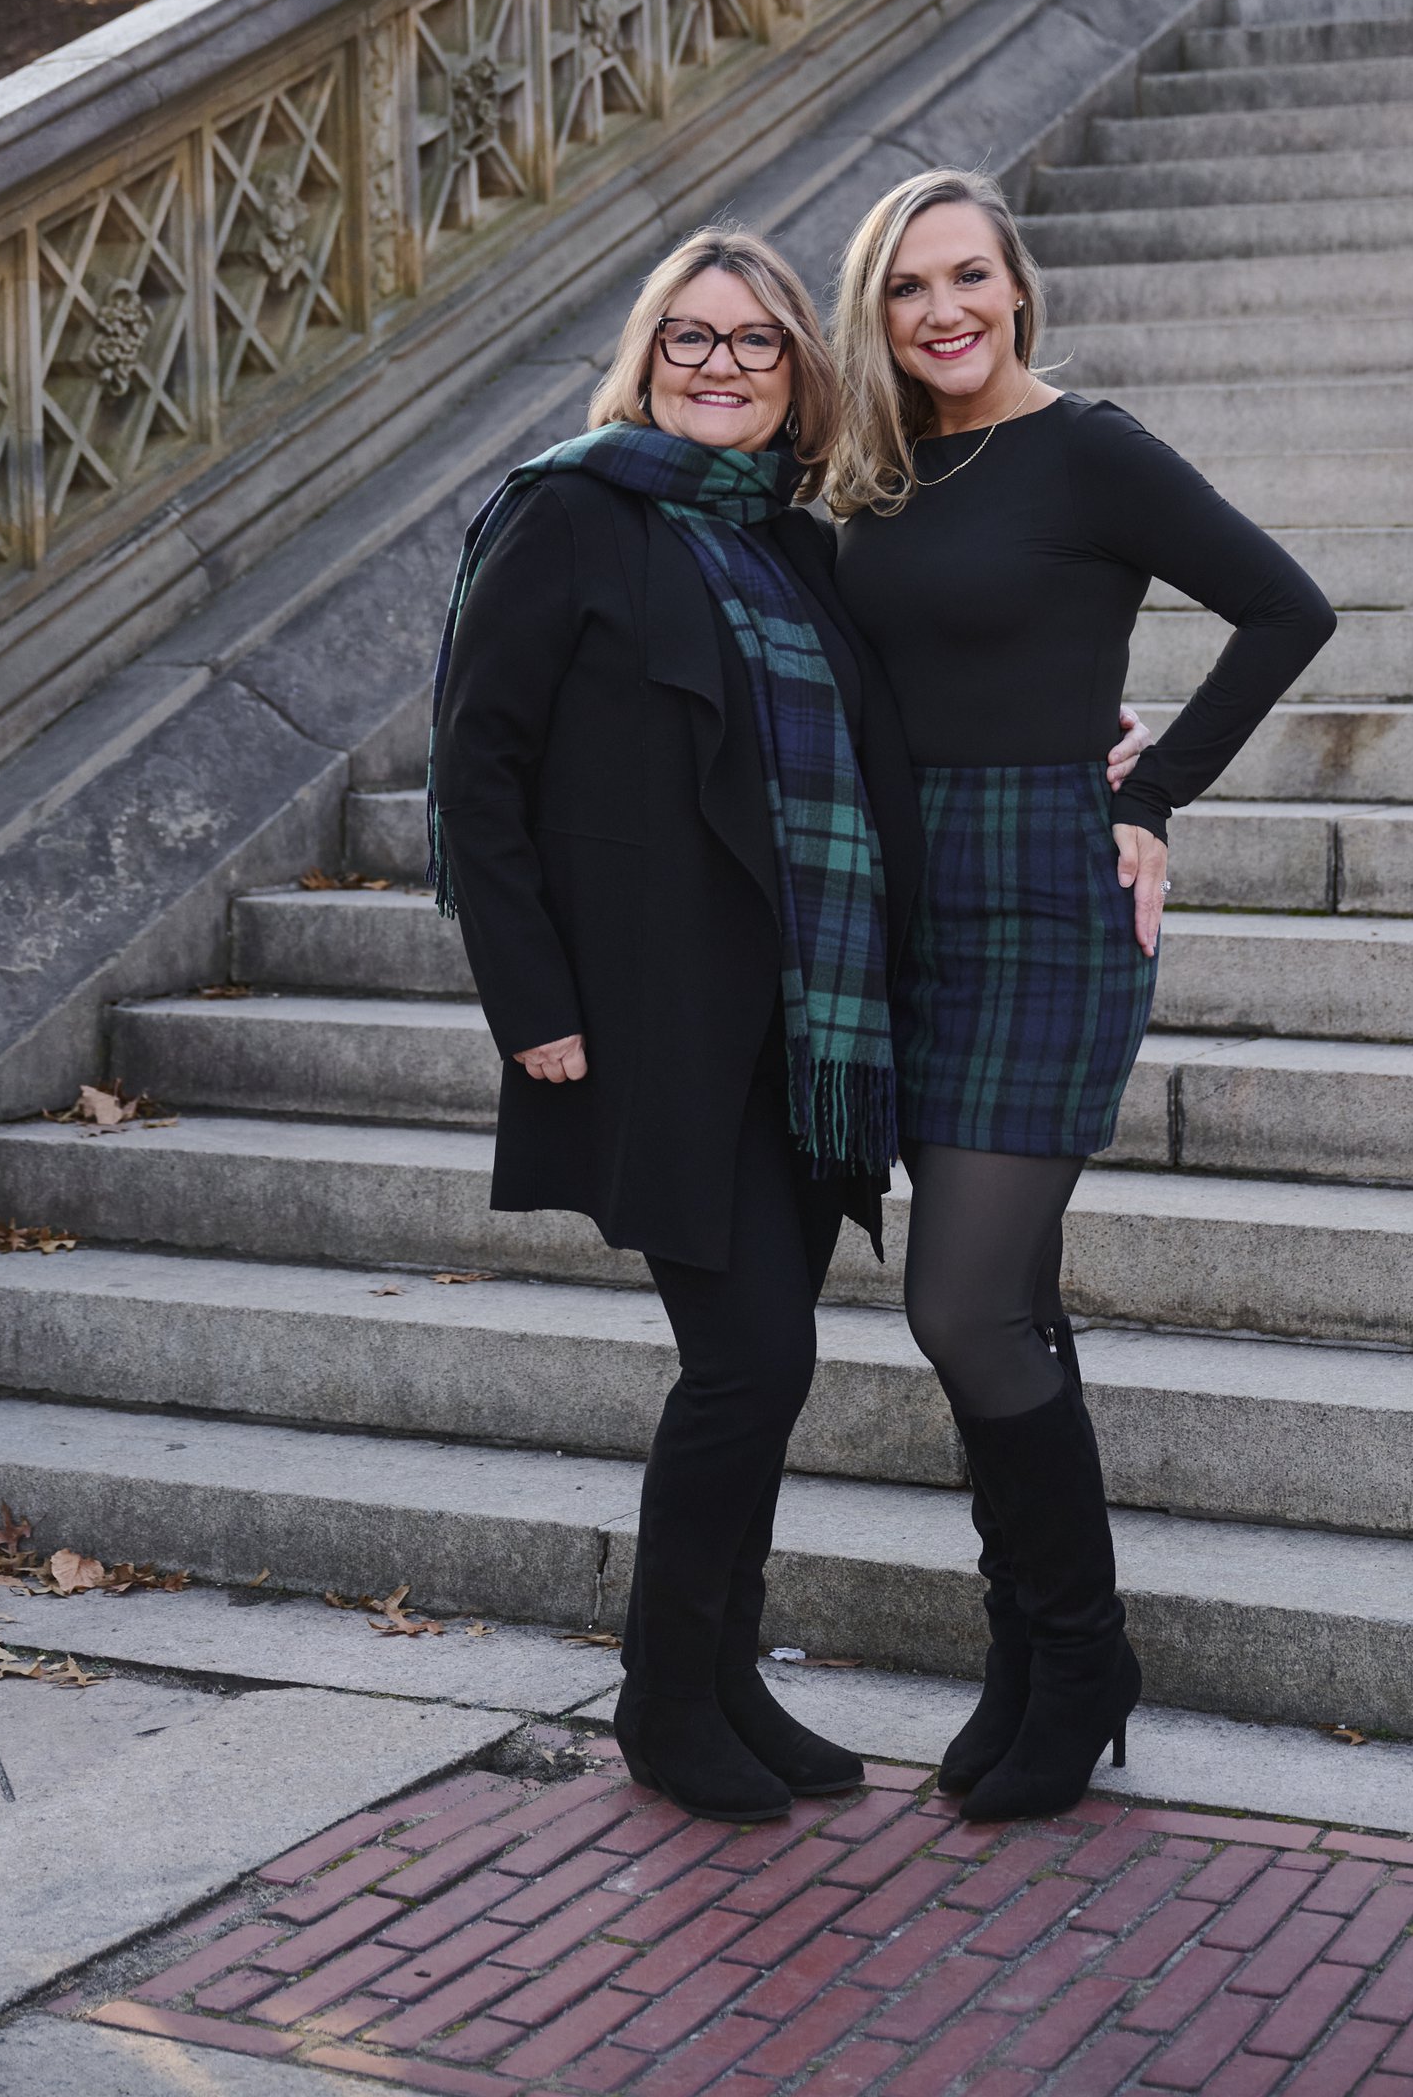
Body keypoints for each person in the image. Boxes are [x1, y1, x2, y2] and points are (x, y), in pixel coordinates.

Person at [828, 170, 1337, 1823]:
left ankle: (1085, 1651)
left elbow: (1287, 607)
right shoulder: (873, 472)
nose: (943, 312)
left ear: (1018, 288)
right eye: (909, 288)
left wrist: (1153, 788)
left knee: (961, 1309)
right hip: (913, 907)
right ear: (877, 312)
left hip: (1050, 897)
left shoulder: (1089, 450)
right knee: (1015, 1309)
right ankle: (1031, 1664)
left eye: (968, 277)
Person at [427, 227, 922, 1824]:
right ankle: (661, 1700)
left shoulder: (798, 544)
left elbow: (886, 748)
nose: (720, 366)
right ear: (646, 360)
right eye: (690, 338)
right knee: (749, 1361)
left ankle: (726, 1681)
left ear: (798, 375)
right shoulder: (569, 512)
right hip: (650, 1020)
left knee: (764, 1372)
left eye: (755, 341)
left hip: (802, 1033)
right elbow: (479, 770)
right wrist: (531, 1003)